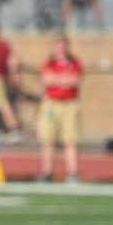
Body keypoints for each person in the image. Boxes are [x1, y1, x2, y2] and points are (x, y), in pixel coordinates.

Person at [38, 34, 83, 184]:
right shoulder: (48, 63)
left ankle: (73, 173)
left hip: (69, 104)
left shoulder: (74, 62)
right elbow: (47, 80)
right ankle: (47, 172)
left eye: (63, 44)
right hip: (51, 104)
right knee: (48, 139)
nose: (61, 47)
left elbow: (75, 81)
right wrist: (63, 79)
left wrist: (57, 80)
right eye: (58, 44)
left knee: (71, 140)